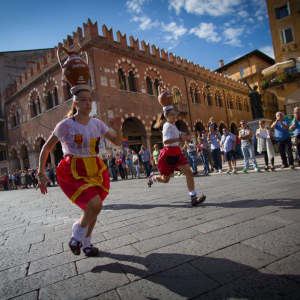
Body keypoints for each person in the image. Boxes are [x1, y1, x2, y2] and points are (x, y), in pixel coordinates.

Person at [36, 89, 122, 257]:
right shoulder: (65, 125)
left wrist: (118, 128)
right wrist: (40, 174)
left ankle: (87, 243)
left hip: (94, 168)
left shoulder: (98, 124)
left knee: (93, 209)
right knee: (95, 206)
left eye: (90, 99)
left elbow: (118, 141)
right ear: (75, 103)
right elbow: (46, 148)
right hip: (74, 170)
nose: (88, 103)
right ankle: (77, 234)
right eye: (83, 100)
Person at [147, 102, 206, 206]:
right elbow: (165, 141)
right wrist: (180, 138)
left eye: (175, 114)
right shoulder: (167, 126)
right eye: (172, 114)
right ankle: (153, 178)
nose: (175, 116)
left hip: (177, 153)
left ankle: (193, 197)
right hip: (168, 155)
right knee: (166, 180)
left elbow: (178, 135)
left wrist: (185, 137)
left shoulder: (173, 125)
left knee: (189, 172)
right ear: (166, 116)